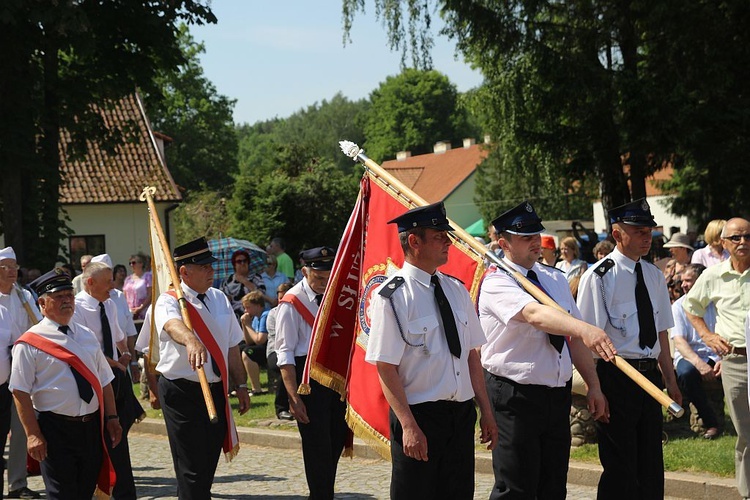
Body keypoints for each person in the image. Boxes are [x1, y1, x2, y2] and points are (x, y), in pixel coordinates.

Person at [478, 201, 614, 499]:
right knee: (515, 487)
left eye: (536, 235)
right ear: (504, 243)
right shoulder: (497, 281)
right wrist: (583, 328)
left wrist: (593, 386)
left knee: (553, 485)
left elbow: (573, 337)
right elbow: (534, 315)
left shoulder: (552, 278)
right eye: (525, 238)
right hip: (515, 395)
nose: (535, 243)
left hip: (555, 394)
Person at [365, 202, 498, 499]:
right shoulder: (392, 296)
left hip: (460, 415)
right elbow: (385, 367)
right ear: (414, 241)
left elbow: (471, 355)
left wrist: (486, 411)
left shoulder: (456, 289)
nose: (448, 243)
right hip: (420, 416)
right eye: (439, 236)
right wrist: (408, 425)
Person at [577, 198, 681, 499]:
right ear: (617, 234)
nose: (647, 237)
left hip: (650, 378)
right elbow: (586, 339)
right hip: (617, 377)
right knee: (620, 466)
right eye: (638, 231)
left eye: (649, 230)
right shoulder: (598, 278)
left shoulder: (654, 275)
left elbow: (661, 332)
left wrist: (670, 381)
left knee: (650, 464)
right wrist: (595, 388)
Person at [10, 268, 122, 499]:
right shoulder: (30, 343)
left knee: (85, 490)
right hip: (54, 429)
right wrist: (32, 434)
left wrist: (112, 417)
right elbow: (20, 392)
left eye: (69, 295)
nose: (66, 301)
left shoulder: (86, 334)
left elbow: (104, 380)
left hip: (90, 428)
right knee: (63, 494)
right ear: (42, 303)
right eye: (58, 296)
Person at [154, 237, 250, 499]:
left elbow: (232, 345)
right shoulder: (169, 300)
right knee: (191, 466)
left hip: (215, 390)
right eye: (204, 267)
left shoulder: (219, 297)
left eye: (211, 265)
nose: (211, 271)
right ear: (184, 271)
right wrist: (191, 339)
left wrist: (240, 385)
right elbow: (172, 325)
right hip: (182, 392)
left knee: (208, 461)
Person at [683, 217, 750, 498]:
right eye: (736, 237)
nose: (743, 242)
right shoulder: (713, 275)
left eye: (748, 236)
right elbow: (691, 307)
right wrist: (707, 336)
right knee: (746, 432)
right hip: (736, 361)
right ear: (723, 243)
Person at [275, 246, 348, 499]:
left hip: (336, 379)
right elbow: (284, 354)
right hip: (308, 382)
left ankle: (322, 492)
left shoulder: (336, 294)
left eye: (328, 277)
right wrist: (293, 398)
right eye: (318, 278)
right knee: (317, 448)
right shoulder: (292, 303)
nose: (324, 282)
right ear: (304, 271)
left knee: (335, 443)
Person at [73, 261, 145, 500]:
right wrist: (109, 363)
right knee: (98, 440)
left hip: (115, 378)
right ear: (90, 282)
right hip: (93, 380)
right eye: (107, 282)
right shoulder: (77, 308)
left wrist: (125, 357)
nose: (112, 286)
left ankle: (124, 492)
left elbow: (118, 337)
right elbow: (83, 347)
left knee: (119, 437)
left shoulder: (110, 304)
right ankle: (99, 487)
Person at [0, 248, 43, 499]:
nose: (12, 271)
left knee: (20, 430)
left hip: (19, 375)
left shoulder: (24, 296)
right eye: (6, 266)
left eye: (14, 266)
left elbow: (38, 328)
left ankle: (17, 483)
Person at [671, 264, 721, 439]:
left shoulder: (717, 303)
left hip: (716, 354)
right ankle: (711, 422)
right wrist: (699, 364)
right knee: (686, 373)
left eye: (688, 280)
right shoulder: (678, 306)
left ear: (700, 281)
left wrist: (722, 360)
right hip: (689, 356)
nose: (683, 284)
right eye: (682, 280)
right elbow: (680, 341)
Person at [266, 282, 293, 420]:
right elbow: (279, 337)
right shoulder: (272, 314)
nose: (281, 302)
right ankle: (281, 408)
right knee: (285, 366)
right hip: (275, 352)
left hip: (294, 351)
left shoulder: (297, 311)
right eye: (279, 298)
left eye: (284, 298)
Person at [219, 249, 265, 321]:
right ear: (234, 264)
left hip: (253, 317)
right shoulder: (227, 281)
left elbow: (261, 294)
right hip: (234, 318)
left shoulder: (256, 277)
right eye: (239, 261)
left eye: (245, 260)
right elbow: (221, 300)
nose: (242, 263)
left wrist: (245, 281)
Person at [239, 291, 269, 395]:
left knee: (247, 352)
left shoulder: (265, 315)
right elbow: (249, 341)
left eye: (248, 307)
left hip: (269, 348)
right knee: (239, 348)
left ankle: (256, 388)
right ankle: (241, 386)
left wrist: (248, 325)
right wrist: (244, 325)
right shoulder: (256, 318)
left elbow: (260, 340)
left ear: (258, 306)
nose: (246, 311)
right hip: (260, 346)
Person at [123, 253, 152, 324]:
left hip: (143, 313)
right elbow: (124, 296)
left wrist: (140, 308)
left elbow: (150, 294)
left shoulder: (147, 276)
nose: (131, 265)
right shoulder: (128, 279)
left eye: (134, 263)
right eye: (130, 263)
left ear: (141, 264)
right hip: (130, 313)